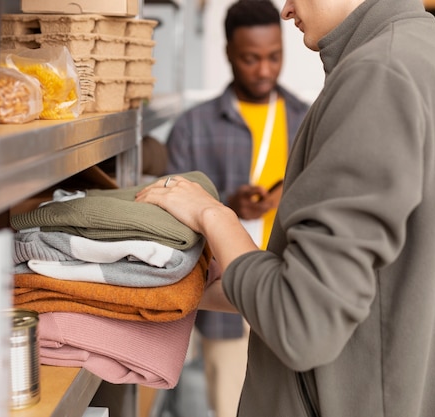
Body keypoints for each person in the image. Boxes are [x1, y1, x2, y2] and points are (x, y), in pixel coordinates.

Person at [137, 0, 435, 416]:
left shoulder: (379, 76)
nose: (287, 10)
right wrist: (187, 284)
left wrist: (212, 214)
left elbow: (301, 323)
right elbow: (367, 289)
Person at [164, 1, 309, 416]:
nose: (264, 70)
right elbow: (170, 223)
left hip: (290, 290)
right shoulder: (192, 127)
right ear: (228, 51)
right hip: (228, 296)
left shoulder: (307, 120)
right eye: (250, 58)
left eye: (274, 57)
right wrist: (227, 205)